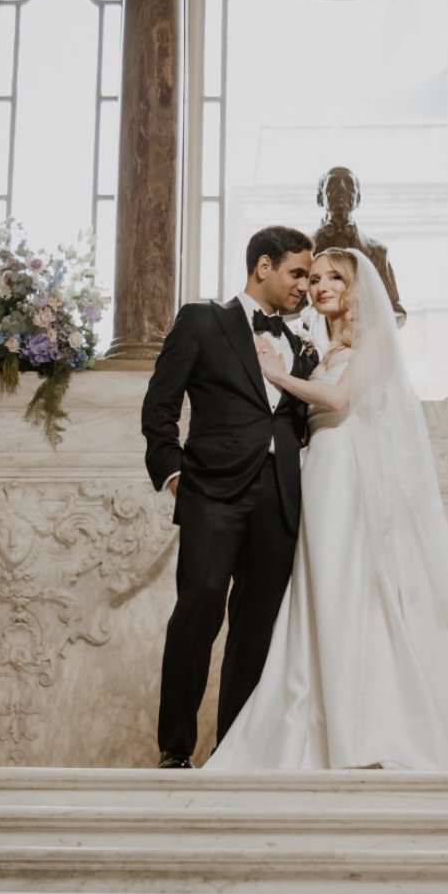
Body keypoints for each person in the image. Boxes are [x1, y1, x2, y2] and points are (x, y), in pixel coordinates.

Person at [205, 248, 448, 772]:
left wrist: (276, 376)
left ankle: (364, 727)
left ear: (354, 288)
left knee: (348, 585)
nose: (320, 286)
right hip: (319, 470)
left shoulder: (374, 341)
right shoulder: (318, 348)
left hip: (346, 471)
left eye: (333, 279)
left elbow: (342, 400)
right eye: (314, 278)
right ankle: (318, 719)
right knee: (320, 589)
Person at [142, 225, 316, 769]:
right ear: (263, 266)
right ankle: (175, 748)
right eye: (298, 273)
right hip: (211, 491)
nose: (305, 287)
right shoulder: (202, 319)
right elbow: (160, 406)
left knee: (256, 626)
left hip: (280, 497)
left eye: (310, 277)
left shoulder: (303, 345)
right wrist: (173, 475)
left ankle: (233, 752)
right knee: (199, 609)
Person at [312, 166, 406, 324]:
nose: (342, 189)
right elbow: (288, 311)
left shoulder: (377, 252)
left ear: (358, 198)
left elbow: (397, 311)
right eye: (333, 184)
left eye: (348, 184)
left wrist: (373, 328)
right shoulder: (301, 251)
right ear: (320, 198)